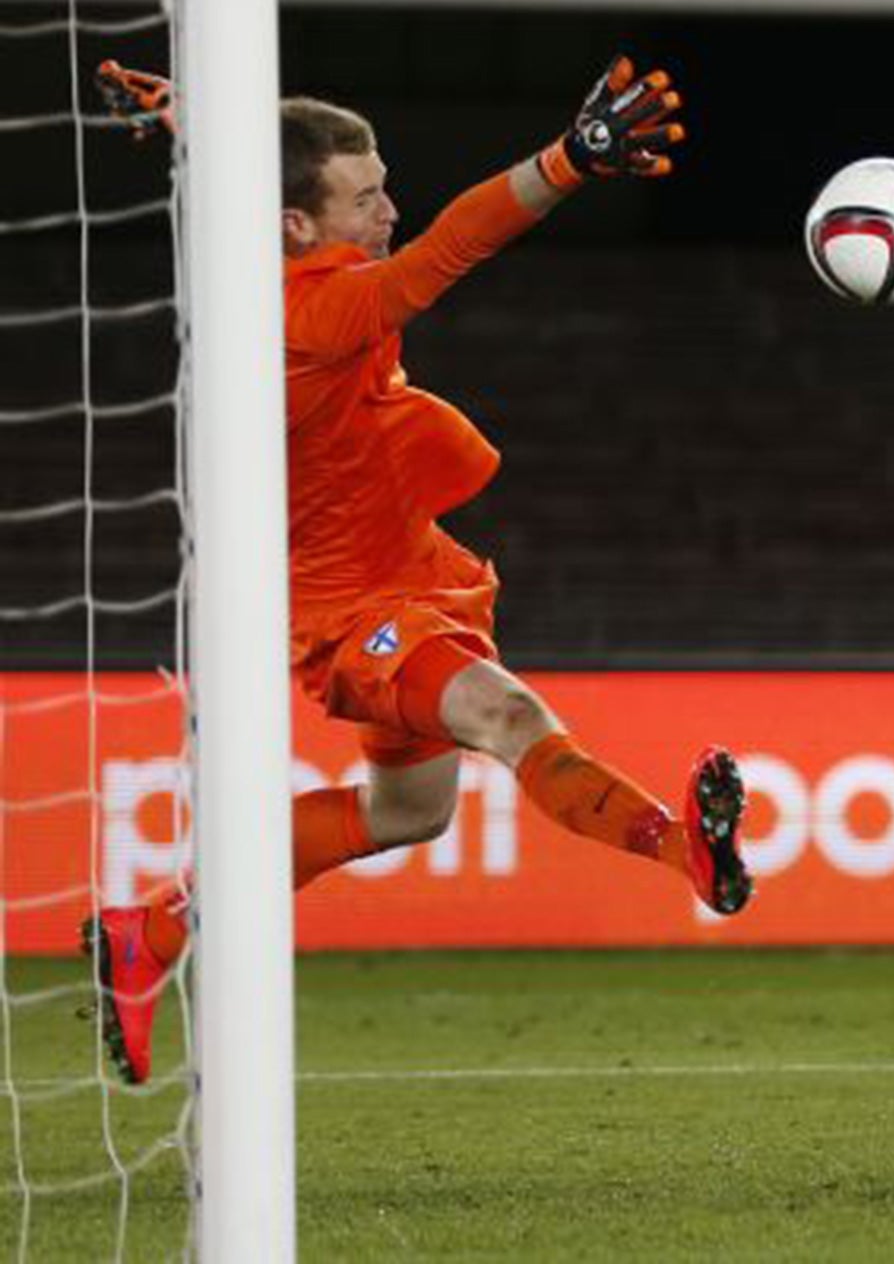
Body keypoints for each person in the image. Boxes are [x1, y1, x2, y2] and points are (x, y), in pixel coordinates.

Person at [82, 57, 752, 1086]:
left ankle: (154, 936)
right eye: (366, 197)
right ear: (297, 229)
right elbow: (450, 248)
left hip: (399, 578)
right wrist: (568, 162)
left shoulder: (282, 254)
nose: (390, 208)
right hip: (356, 614)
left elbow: (257, 180)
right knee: (511, 719)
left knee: (409, 812)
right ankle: (682, 853)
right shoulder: (315, 310)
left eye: (385, 182)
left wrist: (189, 113)